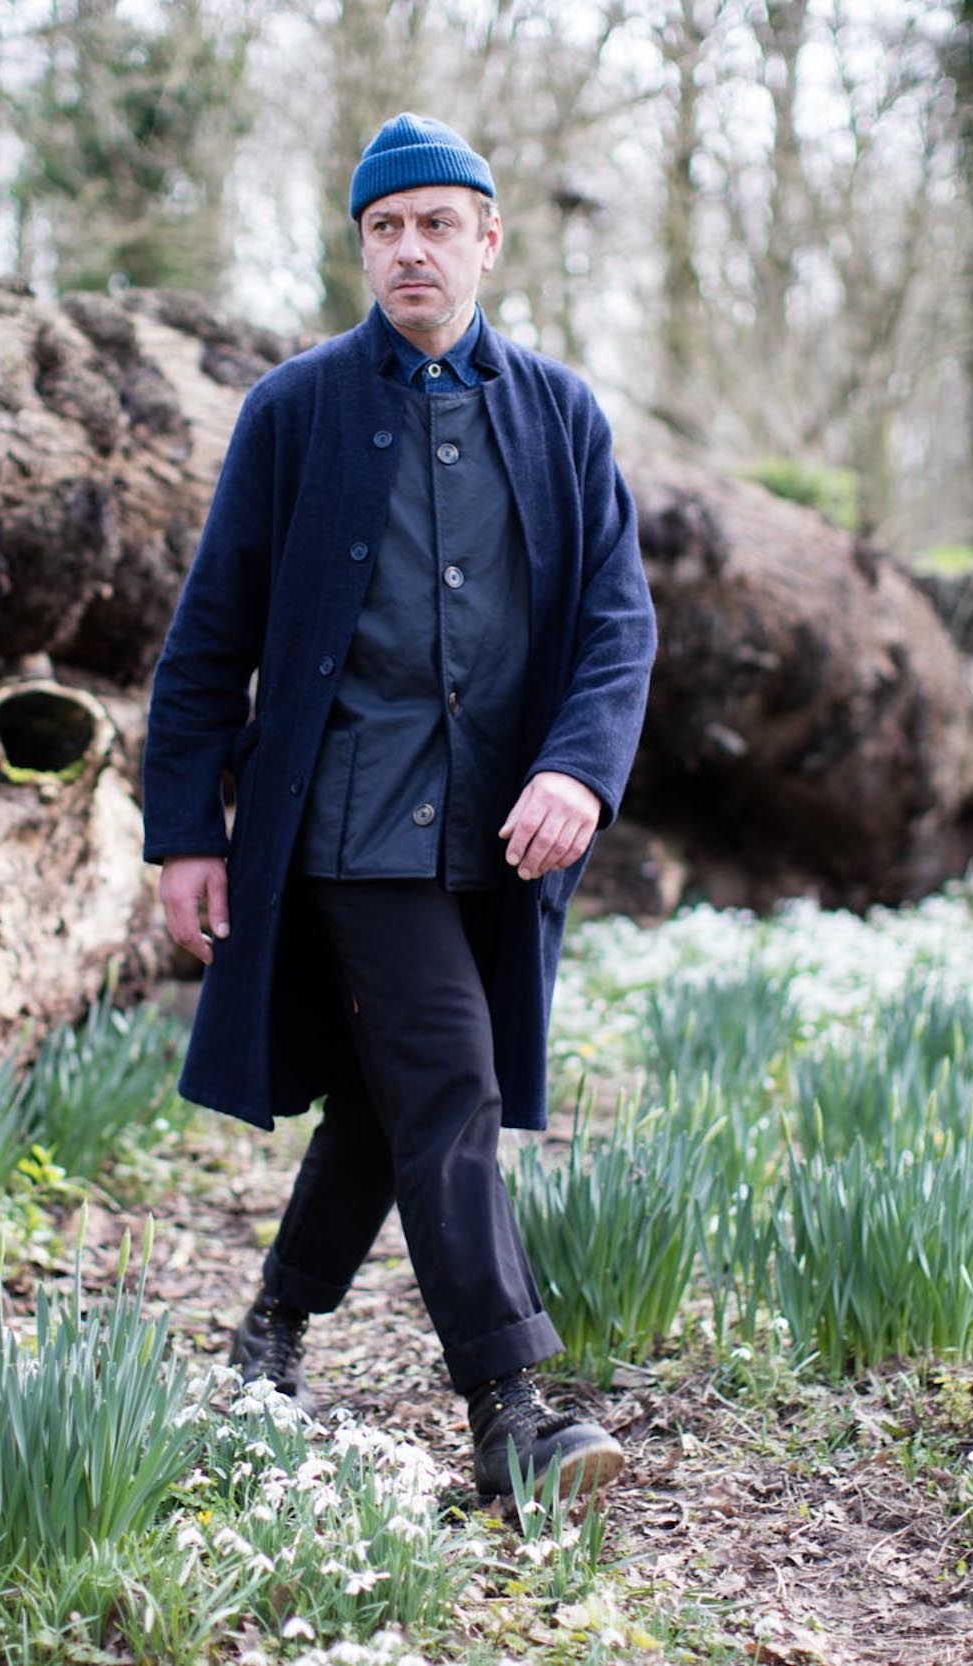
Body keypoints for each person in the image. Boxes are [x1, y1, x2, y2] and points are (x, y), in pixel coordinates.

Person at [141, 112, 656, 1497]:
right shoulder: (295, 410)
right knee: (452, 1085)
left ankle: (271, 1328)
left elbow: (619, 621)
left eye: (437, 222)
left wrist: (578, 768)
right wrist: (187, 829)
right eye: (385, 227)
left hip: (505, 826)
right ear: (360, 246)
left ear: (488, 238)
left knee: (387, 1099)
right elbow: (208, 639)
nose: (411, 248)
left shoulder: (558, 413)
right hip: (353, 826)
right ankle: (513, 1409)